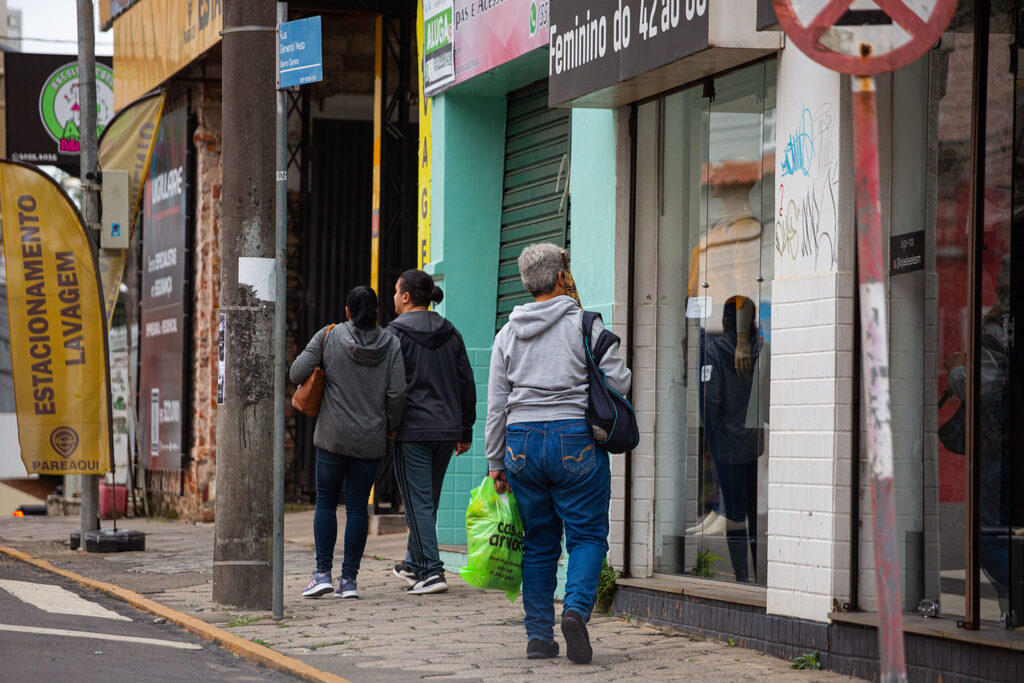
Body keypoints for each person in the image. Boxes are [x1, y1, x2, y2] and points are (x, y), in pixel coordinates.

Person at [485, 243, 631, 664]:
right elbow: (619, 382)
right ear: (563, 275)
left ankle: (538, 638)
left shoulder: (507, 332)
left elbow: (497, 403)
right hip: (574, 441)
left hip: (521, 445)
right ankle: (575, 611)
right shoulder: (586, 323)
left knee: (539, 541)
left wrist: (496, 462)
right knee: (586, 535)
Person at [289, 286, 406, 599]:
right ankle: (349, 581)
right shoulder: (391, 344)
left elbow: (296, 372)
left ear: (347, 311)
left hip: (332, 437)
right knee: (357, 508)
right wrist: (391, 426)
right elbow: (397, 394)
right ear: (377, 314)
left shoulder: (329, 337)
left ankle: (322, 574)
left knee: (326, 501)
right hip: (370, 440)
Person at [387, 269, 476, 595]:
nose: (394, 297)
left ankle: (433, 572)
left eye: (397, 291)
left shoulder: (394, 334)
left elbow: (391, 387)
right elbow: (466, 383)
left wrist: (390, 424)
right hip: (446, 430)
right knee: (426, 501)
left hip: (412, 431)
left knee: (418, 502)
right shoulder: (450, 332)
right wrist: (465, 428)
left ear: (407, 296)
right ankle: (414, 563)